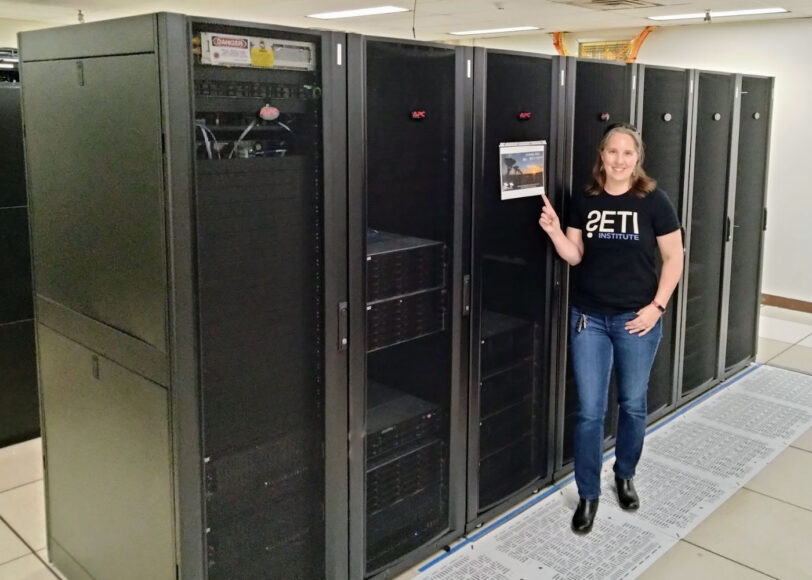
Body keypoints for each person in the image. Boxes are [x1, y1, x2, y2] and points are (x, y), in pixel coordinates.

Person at [538, 123, 683, 534]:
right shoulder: (584, 199)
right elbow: (575, 255)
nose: (620, 160)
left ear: (638, 159)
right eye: (613, 152)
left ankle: (624, 474)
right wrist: (553, 231)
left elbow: (673, 258)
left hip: (638, 319)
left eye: (628, 153)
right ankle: (588, 494)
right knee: (589, 412)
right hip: (589, 319)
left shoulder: (655, 202)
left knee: (633, 404)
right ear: (602, 155)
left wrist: (657, 307)